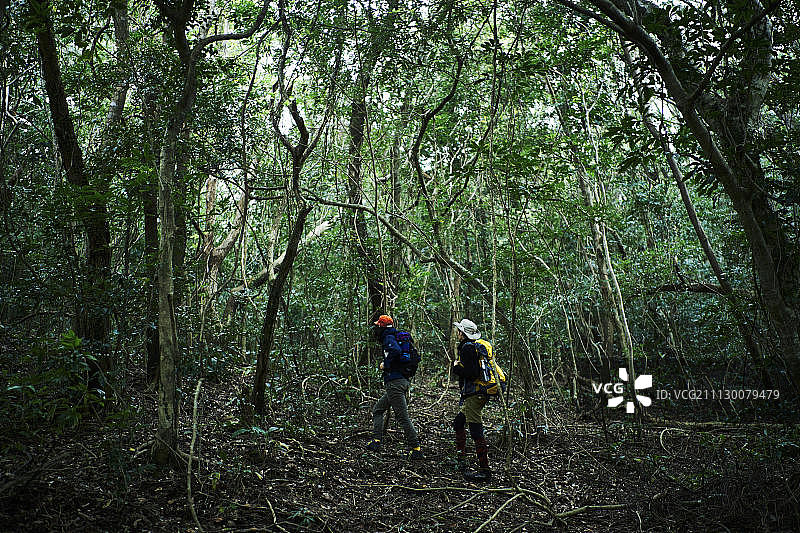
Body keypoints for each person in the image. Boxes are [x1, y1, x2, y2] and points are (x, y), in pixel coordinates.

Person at [366, 315, 424, 460]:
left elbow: (395, 351)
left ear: (382, 326)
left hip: (395, 384)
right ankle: (376, 441)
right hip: (400, 382)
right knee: (378, 410)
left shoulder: (388, 338)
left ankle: (416, 448)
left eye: (378, 325)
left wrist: (386, 364)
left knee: (403, 417)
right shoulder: (394, 335)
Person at [452, 318, 492, 482]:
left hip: (475, 395)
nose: (458, 333)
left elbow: (472, 373)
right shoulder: (471, 346)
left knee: (476, 430)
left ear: (463, 333)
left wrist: (456, 368)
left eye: (459, 331)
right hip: (475, 393)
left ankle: (484, 471)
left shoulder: (468, 348)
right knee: (458, 423)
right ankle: (461, 460)